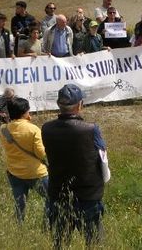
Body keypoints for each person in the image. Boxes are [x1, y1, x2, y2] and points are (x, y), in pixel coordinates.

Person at [42, 84, 107, 249]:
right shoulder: (91, 129)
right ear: (80, 105)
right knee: (94, 242)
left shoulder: (46, 128)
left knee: (60, 242)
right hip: (88, 194)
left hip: (59, 192)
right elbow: (103, 156)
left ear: (58, 104)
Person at [1, 96, 49, 223]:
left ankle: (19, 226)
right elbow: (41, 153)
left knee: (19, 203)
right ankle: (47, 224)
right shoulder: (33, 129)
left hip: (14, 172)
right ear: (24, 112)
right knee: (51, 197)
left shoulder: (4, 129)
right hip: (35, 172)